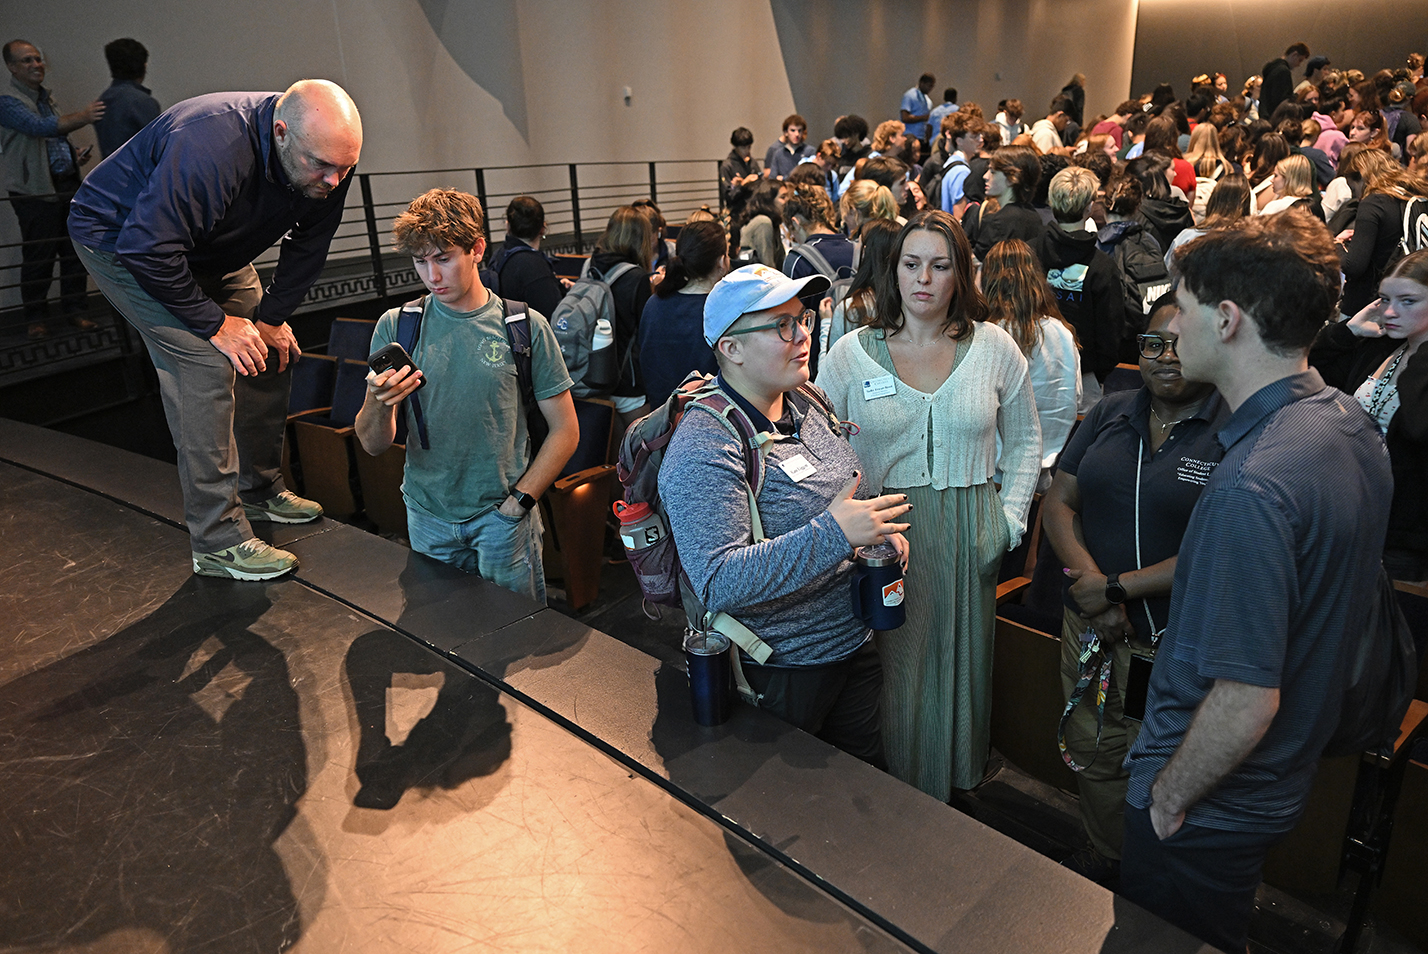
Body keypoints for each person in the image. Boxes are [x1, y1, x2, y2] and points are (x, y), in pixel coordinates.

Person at [1121, 211, 1392, 954]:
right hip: (1268, 789)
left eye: (1184, 304)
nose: (1172, 328)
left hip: (1209, 804)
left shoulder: (1253, 484)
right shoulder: (1345, 420)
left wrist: (1167, 800)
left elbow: (1244, 700)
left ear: (1229, 319)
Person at [67, 80, 361, 580]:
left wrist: (267, 320)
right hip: (125, 246)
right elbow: (148, 248)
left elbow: (309, 246)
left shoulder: (328, 156)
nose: (333, 181)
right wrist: (215, 324)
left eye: (344, 168)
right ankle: (218, 541)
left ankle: (260, 488)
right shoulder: (210, 145)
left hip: (210, 248)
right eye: (322, 166)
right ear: (282, 133)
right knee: (204, 361)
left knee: (269, 348)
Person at [817, 210, 1040, 799]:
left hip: (970, 525)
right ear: (893, 270)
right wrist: (845, 520)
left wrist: (1010, 520)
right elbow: (821, 447)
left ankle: (953, 780)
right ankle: (895, 789)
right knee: (894, 662)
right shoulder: (848, 354)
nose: (924, 279)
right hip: (885, 532)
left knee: (961, 660)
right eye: (912, 264)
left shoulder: (993, 348)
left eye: (940, 267)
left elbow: (1025, 441)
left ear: (960, 275)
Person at [660, 264, 911, 766]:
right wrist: (837, 534)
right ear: (731, 349)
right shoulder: (705, 446)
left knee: (863, 795)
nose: (802, 336)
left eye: (803, 319)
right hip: (783, 670)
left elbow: (840, 500)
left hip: (852, 645)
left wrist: (875, 541)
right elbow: (718, 580)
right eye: (781, 326)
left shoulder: (807, 400)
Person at [1043, 294, 1228, 888]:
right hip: (1092, 627)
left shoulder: (1234, 427)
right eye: (1153, 344)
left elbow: (1219, 546)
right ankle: (1108, 858)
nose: (1166, 356)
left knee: (1165, 761)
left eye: (1180, 344)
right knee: (1093, 749)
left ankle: (1156, 877)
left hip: (1174, 643)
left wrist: (1117, 591)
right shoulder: (1111, 412)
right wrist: (1093, 592)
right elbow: (1060, 503)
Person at [355, 189, 578, 602]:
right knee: (442, 633)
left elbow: (565, 430)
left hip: (502, 518)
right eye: (420, 262)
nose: (432, 276)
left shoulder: (524, 326)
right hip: (427, 515)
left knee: (514, 638)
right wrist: (378, 401)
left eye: (443, 258)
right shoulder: (398, 326)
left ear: (477, 249)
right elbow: (372, 444)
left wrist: (519, 503)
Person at [1311, 248, 1428, 582]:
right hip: (1347, 515)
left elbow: (1419, 424)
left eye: (1408, 301)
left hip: (1405, 542)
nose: (1390, 311)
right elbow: (1308, 373)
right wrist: (1348, 331)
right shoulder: (1383, 346)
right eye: (1383, 299)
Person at [1, 40, 105, 339]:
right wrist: (84, 117)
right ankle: (35, 319)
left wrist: (74, 156)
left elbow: (50, 139)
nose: (36, 65)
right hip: (34, 191)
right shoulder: (7, 101)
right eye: (27, 61)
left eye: (38, 59)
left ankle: (76, 312)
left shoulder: (47, 98)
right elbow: (37, 127)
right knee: (40, 255)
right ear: (11, 66)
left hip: (66, 184)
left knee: (74, 252)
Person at [981, 238, 1081, 486]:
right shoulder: (1061, 332)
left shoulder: (989, 335)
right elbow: (1075, 398)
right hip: (1042, 476)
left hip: (990, 480)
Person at [1035, 167, 1126, 412]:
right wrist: (1097, 371)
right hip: (1082, 376)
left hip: (1032, 369)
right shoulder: (1103, 265)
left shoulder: (1028, 253)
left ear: (1051, 202)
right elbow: (1111, 327)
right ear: (1089, 207)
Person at [637, 220, 727, 408]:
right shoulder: (721, 310)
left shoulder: (654, 303)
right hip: (713, 418)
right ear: (721, 261)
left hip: (661, 420)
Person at [588, 205, 657, 426]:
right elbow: (647, 333)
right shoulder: (636, 278)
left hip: (594, 374)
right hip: (628, 381)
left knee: (610, 454)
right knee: (638, 452)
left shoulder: (591, 266)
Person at [1340, 163, 1428, 315]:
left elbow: (1354, 266)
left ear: (1362, 178)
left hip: (1370, 302)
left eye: (1354, 188)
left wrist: (1336, 245)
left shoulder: (1373, 202)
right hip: (1413, 295)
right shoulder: (1414, 196)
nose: (1357, 196)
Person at [817, 218, 902, 361]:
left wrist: (826, 322)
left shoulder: (852, 308)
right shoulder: (909, 301)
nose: (853, 246)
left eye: (858, 241)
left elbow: (829, 370)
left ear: (865, 251)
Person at [494, 195, 566, 319]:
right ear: (543, 229)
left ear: (508, 226)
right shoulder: (535, 267)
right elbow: (554, 317)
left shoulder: (500, 255)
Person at [970, 145, 1045, 262]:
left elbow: (979, 261)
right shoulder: (1034, 216)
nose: (985, 176)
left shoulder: (1000, 221)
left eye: (993, 172)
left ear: (1012, 178)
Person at [94, 38, 159, 158]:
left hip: (110, 173)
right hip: (138, 173)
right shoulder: (143, 102)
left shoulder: (102, 100)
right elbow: (158, 147)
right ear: (144, 66)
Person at [720, 126, 761, 248]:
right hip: (737, 215)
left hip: (754, 210)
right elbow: (728, 197)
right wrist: (743, 184)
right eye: (744, 147)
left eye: (749, 147)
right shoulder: (727, 166)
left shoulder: (752, 163)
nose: (747, 150)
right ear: (736, 147)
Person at [1261, 42, 1311, 120]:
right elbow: (1283, 99)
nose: (1299, 65)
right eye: (1300, 60)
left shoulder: (1272, 68)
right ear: (1294, 55)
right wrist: (1297, 95)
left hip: (1266, 114)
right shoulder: (1283, 71)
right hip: (1276, 118)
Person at [764, 113, 813, 181]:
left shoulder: (810, 151)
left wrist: (784, 178)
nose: (797, 134)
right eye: (793, 130)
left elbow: (810, 176)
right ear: (786, 133)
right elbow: (773, 178)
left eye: (799, 130)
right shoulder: (778, 153)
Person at [901, 73, 936, 145]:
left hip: (922, 137)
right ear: (922, 83)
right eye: (929, 86)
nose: (930, 89)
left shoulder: (927, 100)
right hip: (910, 136)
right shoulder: (910, 95)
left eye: (932, 86)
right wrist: (924, 117)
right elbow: (905, 117)